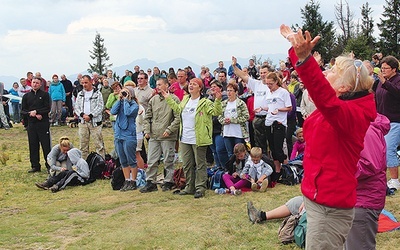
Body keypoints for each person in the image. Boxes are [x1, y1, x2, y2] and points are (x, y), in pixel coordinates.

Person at [280, 24, 376, 249]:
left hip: (328, 206)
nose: (325, 72)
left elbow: (321, 93)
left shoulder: (349, 114)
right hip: (318, 197)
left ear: (343, 86)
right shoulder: (343, 108)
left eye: (332, 71)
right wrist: (296, 49)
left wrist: (305, 60)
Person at [162, 78, 222, 198]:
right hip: (185, 138)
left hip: (199, 138)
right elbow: (178, 109)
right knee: (187, 164)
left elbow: (216, 112)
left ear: (200, 88)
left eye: (194, 84)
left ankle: (200, 187)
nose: (191, 86)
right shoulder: (185, 99)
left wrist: (218, 100)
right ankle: (189, 186)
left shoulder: (205, 102)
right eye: (190, 84)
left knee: (200, 164)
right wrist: (168, 98)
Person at [345, 114, 390, 250]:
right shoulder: (354, 125)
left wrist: (335, 168)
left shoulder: (367, 129)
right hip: (352, 198)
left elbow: (368, 164)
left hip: (363, 200)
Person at [140, 78, 181, 193]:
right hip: (154, 135)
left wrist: (170, 129)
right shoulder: (153, 100)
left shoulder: (174, 99)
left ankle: (169, 181)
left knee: (168, 160)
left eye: (160, 84)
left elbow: (178, 117)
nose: (157, 87)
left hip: (168, 136)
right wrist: (147, 130)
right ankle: (150, 182)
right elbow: (147, 117)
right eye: (156, 85)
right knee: (151, 160)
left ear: (166, 85)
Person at [231, 56, 270, 155]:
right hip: (258, 118)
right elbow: (243, 76)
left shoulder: (273, 85)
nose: (262, 75)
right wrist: (234, 66)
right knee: (259, 144)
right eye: (261, 73)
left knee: (271, 144)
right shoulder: (256, 84)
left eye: (265, 72)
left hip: (270, 117)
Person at [373, 55, 400, 190]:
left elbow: (396, 93)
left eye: (386, 68)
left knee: (389, 148)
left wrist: (385, 82)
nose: (382, 70)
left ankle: (395, 180)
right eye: (381, 68)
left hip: (395, 121)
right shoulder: (379, 82)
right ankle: (383, 178)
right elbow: (376, 97)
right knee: (380, 150)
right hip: (381, 121)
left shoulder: (397, 80)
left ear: (394, 69)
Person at [259, 72, 292, 174]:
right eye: (267, 84)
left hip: (279, 123)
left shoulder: (283, 92)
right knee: (272, 148)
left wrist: (279, 110)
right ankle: (277, 171)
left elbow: (289, 107)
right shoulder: (269, 93)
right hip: (269, 122)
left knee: (279, 149)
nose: (269, 86)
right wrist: (262, 109)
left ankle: (287, 169)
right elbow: (270, 107)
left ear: (276, 82)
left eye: (271, 84)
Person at [110, 86, 139, 191]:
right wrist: (119, 99)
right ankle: (127, 180)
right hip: (119, 134)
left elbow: (127, 112)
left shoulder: (134, 105)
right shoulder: (120, 103)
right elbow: (113, 111)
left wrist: (127, 100)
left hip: (129, 134)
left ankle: (133, 181)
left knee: (131, 159)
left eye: (126, 93)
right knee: (123, 160)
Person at [21, 76, 51, 173]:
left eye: (37, 83)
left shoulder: (45, 95)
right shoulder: (26, 96)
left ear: (40, 84)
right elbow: (23, 110)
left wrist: (38, 112)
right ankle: (35, 165)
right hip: (31, 124)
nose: (35, 84)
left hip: (43, 124)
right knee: (33, 145)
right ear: (31, 83)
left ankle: (49, 165)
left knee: (46, 145)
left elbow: (47, 108)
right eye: (33, 82)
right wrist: (31, 114)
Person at [74, 75, 105, 159]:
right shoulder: (80, 94)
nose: (84, 85)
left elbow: (100, 107)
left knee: (99, 145)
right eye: (83, 83)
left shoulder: (97, 93)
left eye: (86, 82)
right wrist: (82, 115)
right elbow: (76, 107)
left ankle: (101, 164)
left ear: (91, 82)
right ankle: (83, 165)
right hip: (83, 123)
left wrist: (90, 116)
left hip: (95, 123)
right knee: (83, 146)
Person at [218, 82, 249, 158]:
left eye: (231, 90)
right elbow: (219, 116)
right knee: (230, 154)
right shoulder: (223, 103)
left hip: (238, 133)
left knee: (239, 153)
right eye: (228, 90)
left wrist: (232, 120)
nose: (229, 93)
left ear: (236, 92)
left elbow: (246, 116)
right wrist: (224, 121)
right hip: (227, 132)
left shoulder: (241, 103)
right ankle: (232, 169)